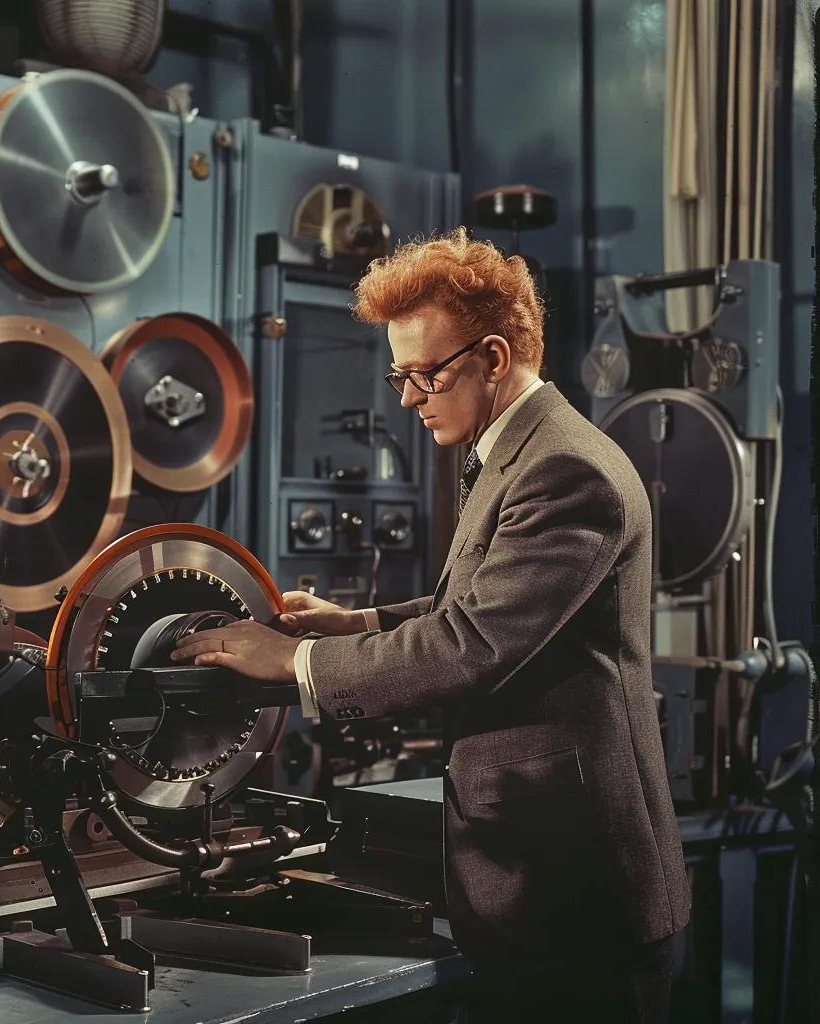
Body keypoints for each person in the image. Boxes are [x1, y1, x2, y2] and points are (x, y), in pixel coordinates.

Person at [173, 229, 691, 1023]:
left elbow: (472, 646)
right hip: (535, 876)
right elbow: (478, 603)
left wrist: (297, 662)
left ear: (492, 357)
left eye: (424, 374)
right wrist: (356, 622)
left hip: (578, 893)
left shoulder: (566, 469)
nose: (409, 398)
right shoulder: (516, 451)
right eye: (399, 374)